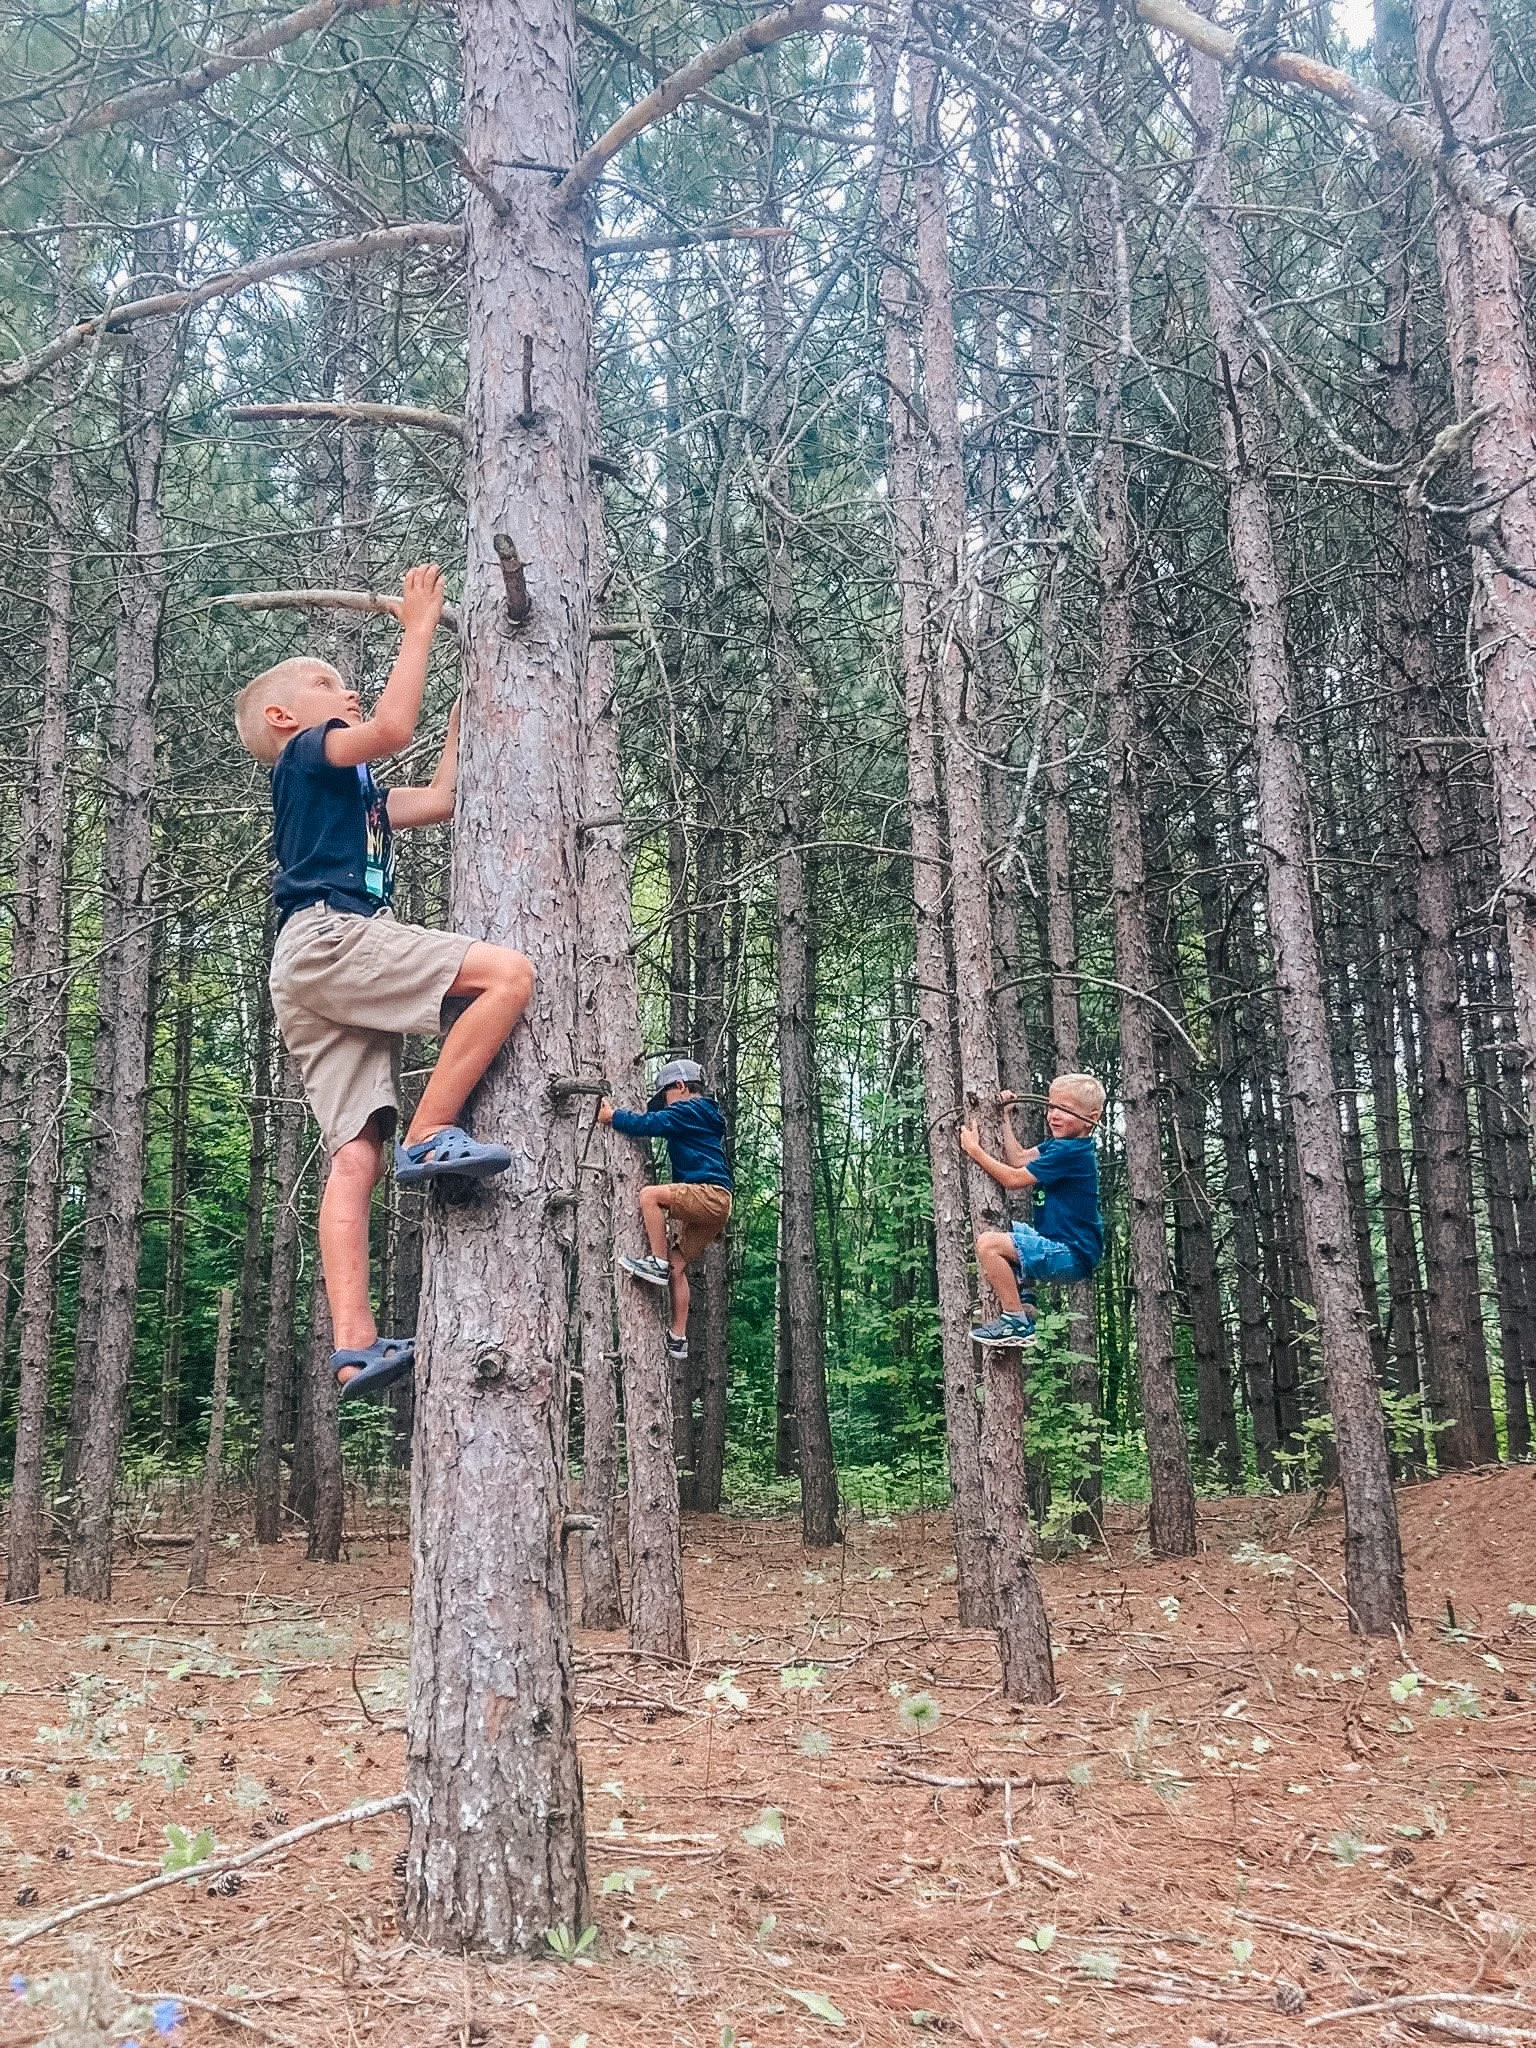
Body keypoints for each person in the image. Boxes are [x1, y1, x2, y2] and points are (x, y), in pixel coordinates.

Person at [234, 563, 534, 1399]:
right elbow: (391, 728)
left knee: (351, 1157)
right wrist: (419, 627)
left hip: (307, 971)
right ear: (284, 717)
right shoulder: (304, 755)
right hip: (332, 938)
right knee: (508, 974)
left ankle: (356, 1343)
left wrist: (469, 711)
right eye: (330, 683)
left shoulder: (352, 790)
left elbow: (436, 798)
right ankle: (433, 1131)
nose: (351, 690)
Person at [597, 1059, 733, 1362]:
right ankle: (678, 1337)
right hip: (718, 1204)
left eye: (666, 1097)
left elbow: (649, 1125)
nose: (664, 1106)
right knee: (678, 1266)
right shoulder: (703, 1115)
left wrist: (612, 1116)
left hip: (709, 1194)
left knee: (649, 1196)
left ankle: (656, 1263)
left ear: (681, 1087)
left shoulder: (688, 1110)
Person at [960, 1073, 1106, 1347]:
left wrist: (974, 1150)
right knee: (1011, 1230)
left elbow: (1013, 1180)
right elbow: (1017, 1159)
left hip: (1070, 1253)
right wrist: (1003, 1116)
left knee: (989, 1244)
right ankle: (1024, 1301)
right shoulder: (1060, 1146)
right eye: (1051, 1107)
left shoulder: (1072, 1154)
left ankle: (1015, 1322)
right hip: (1060, 1246)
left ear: (1092, 1117)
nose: (1054, 1116)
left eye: (1066, 1110)